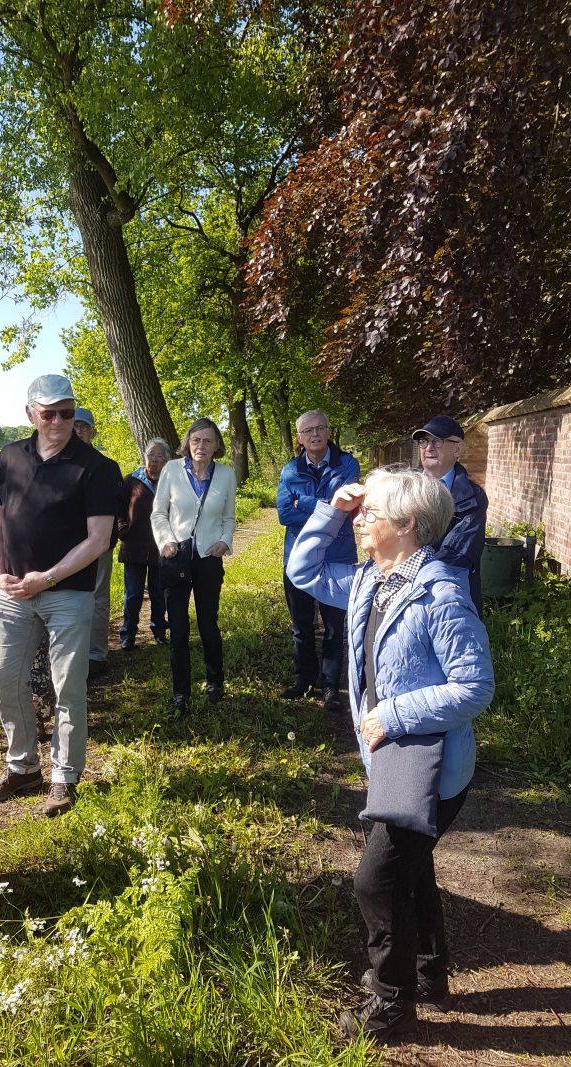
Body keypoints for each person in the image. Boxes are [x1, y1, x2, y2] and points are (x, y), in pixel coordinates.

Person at [287, 468, 494, 1039]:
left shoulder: (440, 593)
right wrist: (330, 511)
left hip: (433, 768)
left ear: (407, 525)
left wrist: (394, 715)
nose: (360, 521)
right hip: (393, 760)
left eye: (369, 513)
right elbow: (301, 570)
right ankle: (428, 974)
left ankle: (391, 1002)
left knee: (376, 880)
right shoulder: (369, 581)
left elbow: (475, 686)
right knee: (412, 870)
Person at [0, 375, 116, 817]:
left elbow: (99, 540)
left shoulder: (97, 468)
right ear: (31, 414)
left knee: (67, 687)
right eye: (49, 413)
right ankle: (23, 767)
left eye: (67, 412)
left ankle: (64, 775)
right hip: (11, 593)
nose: (59, 421)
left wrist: (48, 577)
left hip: (68, 594)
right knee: (6, 682)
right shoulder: (9, 456)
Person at [151, 418, 237, 712]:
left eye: (207, 441)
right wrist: (165, 541)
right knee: (178, 628)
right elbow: (158, 513)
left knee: (208, 624)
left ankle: (215, 682)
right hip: (176, 556)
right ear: (187, 443)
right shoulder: (171, 470)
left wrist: (224, 541)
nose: (201, 446)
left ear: (216, 446)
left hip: (208, 557)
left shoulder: (226, 475)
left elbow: (228, 517)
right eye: (196, 440)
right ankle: (181, 692)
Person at [276, 410, 359, 708]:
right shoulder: (290, 470)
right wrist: (328, 506)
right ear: (299, 437)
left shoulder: (347, 464)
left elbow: (345, 509)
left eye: (320, 428)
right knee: (301, 626)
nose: (315, 434)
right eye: (308, 430)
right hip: (297, 559)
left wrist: (304, 502)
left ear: (328, 431)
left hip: (337, 557)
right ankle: (305, 679)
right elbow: (284, 514)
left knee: (335, 627)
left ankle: (330, 686)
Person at [412, 415, 488, 615]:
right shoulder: (403, 489)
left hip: (451, 598)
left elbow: (457, 554)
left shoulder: (473, 497)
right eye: (424, 441)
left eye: (438, 441)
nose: (429, 448)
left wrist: (407, 569)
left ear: (458, 449)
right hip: (405, 598)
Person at [72, 407, 123, 681]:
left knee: (98, 600)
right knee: (66, 600)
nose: (78, 431)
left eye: (84, 427)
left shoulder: (107, 467)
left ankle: (96, 655)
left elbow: (119, 507)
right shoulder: (60, 464)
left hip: (99, 547)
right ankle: (71, 654)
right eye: (75, 426)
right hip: (66, 548)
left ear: (94, 432)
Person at [117, 438, 171, 649]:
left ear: (166, 460)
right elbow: (118, 508)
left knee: (158, 593)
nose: (154, 460)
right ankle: (128, 634)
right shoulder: (131, 480)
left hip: (161, 547)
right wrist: (122, 528)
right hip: (134, 546)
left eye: (159, 456)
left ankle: (159, 631)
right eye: (151, 455)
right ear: (144, 457)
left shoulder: (171, 482)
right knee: (132, 595)